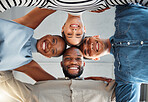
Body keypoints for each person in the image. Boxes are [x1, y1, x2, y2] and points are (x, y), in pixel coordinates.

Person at [0, 0, 148, 46]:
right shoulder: (100, 5)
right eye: (78, 34)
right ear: (84, 28)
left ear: (63, 27)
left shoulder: (49, 4)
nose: (74, 30)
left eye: (70, 33)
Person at [80, 3, 148, 102]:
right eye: (86, 51)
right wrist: (97, 85)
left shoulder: (123, 13)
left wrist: (105, 4)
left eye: (87, 41)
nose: (90, 46)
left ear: (95, 36)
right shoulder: (123, 77)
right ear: (95, 59)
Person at [0, 47, 116, 102]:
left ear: (83, 63)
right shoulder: (38, 90)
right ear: (61, 64)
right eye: (68, 58)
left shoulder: (103, 87)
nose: (73, 62)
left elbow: (131, 80)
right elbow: (4, 81)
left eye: (78, 58)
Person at [0, 7, 66, 72]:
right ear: (48, 35)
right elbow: (52, 5)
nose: (49, 46)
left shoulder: (25, 61)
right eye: (53, 41)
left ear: (47, 56)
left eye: (53, 51)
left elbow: (51, 82)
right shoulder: (26, 27)